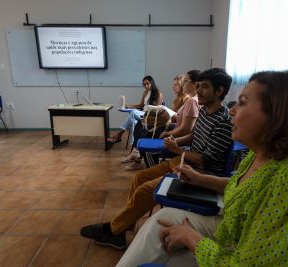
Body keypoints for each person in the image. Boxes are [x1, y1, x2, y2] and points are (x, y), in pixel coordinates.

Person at [116, 71, 288, 267]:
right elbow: (242, 186)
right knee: (162, 220)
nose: (232, 111)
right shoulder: (263, 154)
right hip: (235, 235)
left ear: (278, 116)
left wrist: (190, 238)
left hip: (237, 252)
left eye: (243, 102)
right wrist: (199, 180)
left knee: (165, 241)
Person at [80, 68, 234, 249]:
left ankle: (115, 229)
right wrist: (175, 140)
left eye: (204, 87)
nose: (198, 90)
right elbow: (193, 135)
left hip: (198, 173)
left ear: (220, 91)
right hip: (185, 163)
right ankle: (120, 229)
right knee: (139, 177)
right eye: (198, 86)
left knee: (145, 190)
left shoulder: (223, 122)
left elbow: (205, 161)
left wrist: (177, 150)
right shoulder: (205, 111)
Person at [124, 70, 201, 170]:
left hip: (177, 133)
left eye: (186, 80)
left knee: (145, 133)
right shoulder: (192, 99)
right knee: (142, 125)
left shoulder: (191, 101)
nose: (183, 83)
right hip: (174, 128)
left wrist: (167, 134)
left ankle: (147, 165)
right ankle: (137, 153)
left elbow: (186, 130)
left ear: (195, 84)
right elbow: (182, 121)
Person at [108, 75, 163, 145]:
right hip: (142, 113)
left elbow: (156, 110)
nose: (146, 86)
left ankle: (119, 134)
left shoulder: (158, 94)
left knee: (133, 112)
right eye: (144, 84)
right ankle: (134, 145)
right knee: (134, 121)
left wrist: (143, 112)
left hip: (150, 116)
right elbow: (141, 105)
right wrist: (129, 105)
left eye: (147, 83)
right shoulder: (145, 93)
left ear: (152, 83)